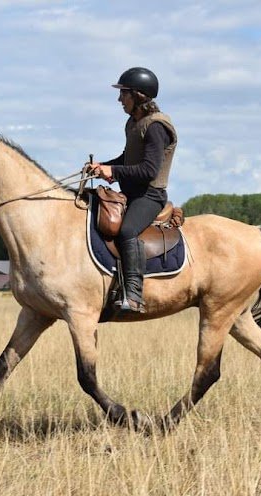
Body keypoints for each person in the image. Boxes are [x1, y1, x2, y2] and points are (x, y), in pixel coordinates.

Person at [88, 67, 178, 314]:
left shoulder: (156, 127)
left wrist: (113, 172)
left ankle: (134, 295)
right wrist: (102, 167)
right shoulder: (134, 123)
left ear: (138, 95)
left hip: (150, 196)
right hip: (131, 194)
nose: (120, 100)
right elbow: (128, 158)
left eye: (123, 94)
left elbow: (149, 170)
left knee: (127, 230)